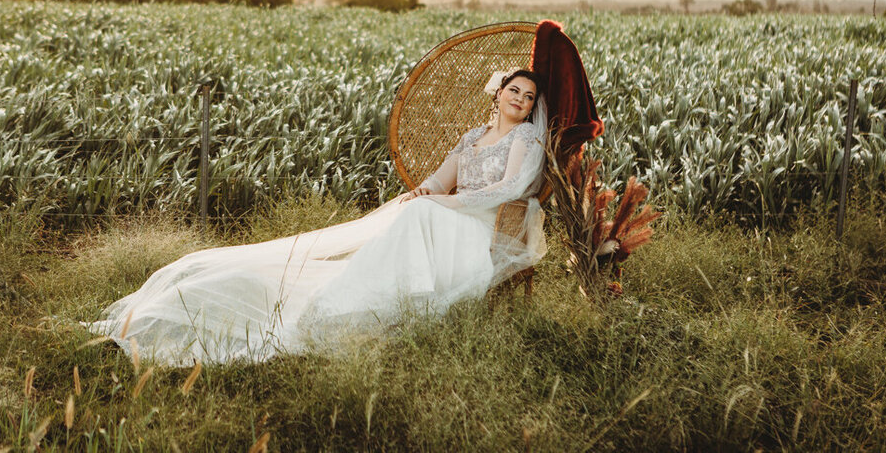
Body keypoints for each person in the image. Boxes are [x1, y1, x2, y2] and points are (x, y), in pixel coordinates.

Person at [86, 68, 552, 366]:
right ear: (498, 94)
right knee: (412, 211)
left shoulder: (526, 140)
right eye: (515, 90)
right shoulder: (473, 135)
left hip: (479, 225)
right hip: (447, 214)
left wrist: (443, 204)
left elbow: (509, 189)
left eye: (529, 97)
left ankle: (381, 300)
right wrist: (426, 191)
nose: (521, 100)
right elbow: (441, 176)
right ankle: (349, 301)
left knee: (419, 219)